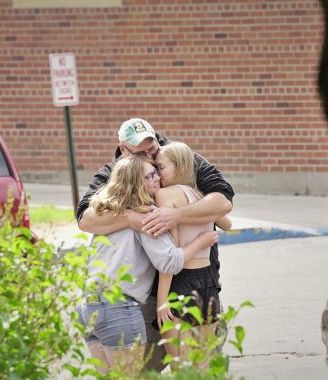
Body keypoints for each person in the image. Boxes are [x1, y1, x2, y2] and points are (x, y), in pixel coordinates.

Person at [76, 117, 235, 371]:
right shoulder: (117, 174)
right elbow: (85, 218)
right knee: (179, 369)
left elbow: (224, 202)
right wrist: (130, 217)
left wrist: (177, 214)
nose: (152, 157)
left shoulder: (177, 158)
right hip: (150, 297)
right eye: (143, 154)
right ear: (123, 150)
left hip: (192, 283)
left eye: (154, 150)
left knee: (191, 368)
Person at [154, 141, 232, 368]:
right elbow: (226, 223)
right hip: (208, 283)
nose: (157, 174)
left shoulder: (166, 195)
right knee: (203, 366)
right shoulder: (199, 194)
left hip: (182, 283)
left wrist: (161, 301)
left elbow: (171, 256)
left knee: (182, 368)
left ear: (179, 167)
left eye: (161, 167)